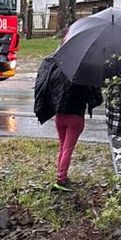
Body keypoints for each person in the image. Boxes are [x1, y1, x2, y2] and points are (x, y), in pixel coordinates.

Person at [33, 53, 100, 192]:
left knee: (63, 147)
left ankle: (61, 175)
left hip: (59, 116)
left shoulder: (58, 69)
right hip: (75, 117)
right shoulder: (84, 75)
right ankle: (61, 179)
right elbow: (95, 97)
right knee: (68, 148)